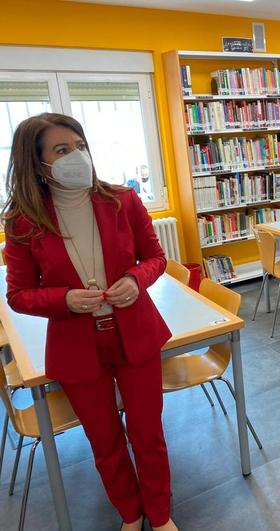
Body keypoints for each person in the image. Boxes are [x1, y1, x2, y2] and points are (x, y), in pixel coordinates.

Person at [2, 113, 178, 531]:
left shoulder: (123, 200)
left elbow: (156, 258)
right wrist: (64, 299)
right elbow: (17, 295)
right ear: (38, 163)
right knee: (105, 442)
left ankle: (161, 513)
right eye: (62, 150)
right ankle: (130, 515)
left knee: (148, 435)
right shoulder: (22, 222)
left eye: (80, 146)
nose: (76, 156)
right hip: (77, 345)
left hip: (134, 333)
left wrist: (136, 279)